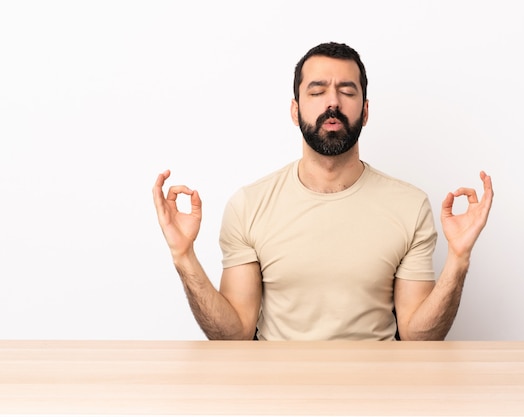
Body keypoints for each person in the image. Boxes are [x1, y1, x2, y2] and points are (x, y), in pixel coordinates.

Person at [152, 41, 494, 341]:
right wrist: (184, 256)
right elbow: (235, 333)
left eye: (347, 91)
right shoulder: (249, 205)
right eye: (317, 92)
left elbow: (419, 337)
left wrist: (459, 259)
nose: (333, 102)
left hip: (377, 393)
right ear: (295, 109)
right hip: (280, 397)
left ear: (366, 109)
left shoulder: (409, 205)